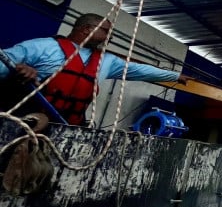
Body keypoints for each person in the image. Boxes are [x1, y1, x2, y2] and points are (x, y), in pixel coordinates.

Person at [0, 13, 187, 125]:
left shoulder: (108, 61)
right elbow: (4, 63)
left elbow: (141, 70)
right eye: (106, 31)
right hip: (27, 121)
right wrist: (18, 70)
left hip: (69, 128)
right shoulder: (41, 47)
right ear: (87, 29)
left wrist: (174, 75)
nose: (109, 37)